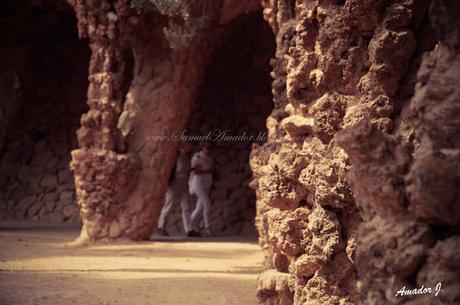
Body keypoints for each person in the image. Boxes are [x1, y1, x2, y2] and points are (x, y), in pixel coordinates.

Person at [157, 142, 201, 237]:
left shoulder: (186, 157)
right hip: (175, 184)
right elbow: (172, 170)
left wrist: (193, 169)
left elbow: (185, 170)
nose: (191, 147)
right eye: (189, 145)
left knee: (186, 206)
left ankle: (189, 229)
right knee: (169, 205)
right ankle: (161, 226)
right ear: (184, 146)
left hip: (184, 184)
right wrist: (168, 183)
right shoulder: (176, 156)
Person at [189, 144, 214, 236]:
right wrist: (208, 171)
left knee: (199, 208)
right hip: (198, 184)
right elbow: (195, 171)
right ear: (202, 148)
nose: (208, 149)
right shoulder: (197, 157)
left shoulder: (210, 158)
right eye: (206, 147)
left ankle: (190, 226)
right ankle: (207, 227)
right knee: (207, 204)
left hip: (206, 184)